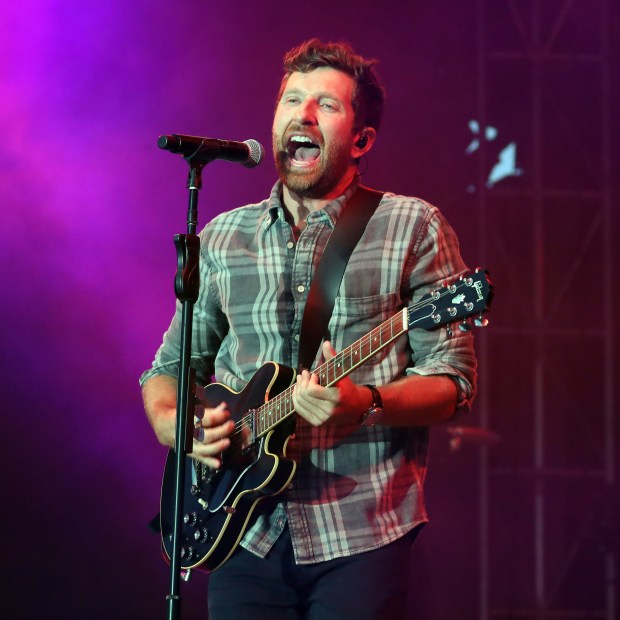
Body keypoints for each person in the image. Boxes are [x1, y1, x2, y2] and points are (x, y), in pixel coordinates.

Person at [141, 38, 478, 620]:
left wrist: (366, 401)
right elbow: (169, 369)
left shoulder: (411, 225)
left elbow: (454, 383)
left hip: (361, 534)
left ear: (361, 139)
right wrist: (179, 426)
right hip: (239, 530)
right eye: (292, 99)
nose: (303, 114)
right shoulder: (223, 236)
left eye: (327, 104)